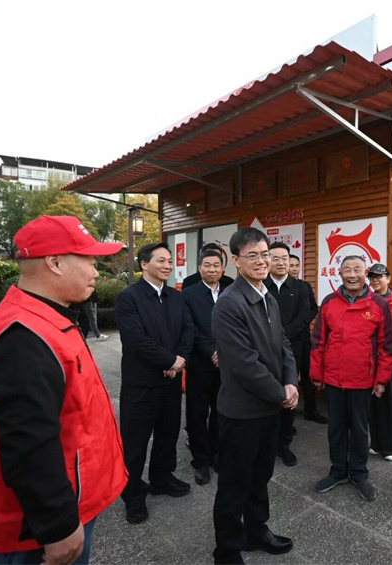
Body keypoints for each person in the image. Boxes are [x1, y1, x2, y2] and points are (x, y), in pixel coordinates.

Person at [0, 215, 127, 564]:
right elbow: (27, 442)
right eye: (90, 260)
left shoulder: (48, 318)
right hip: (37, 531)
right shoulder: (23, 338)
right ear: (55, 263)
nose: (97, 271)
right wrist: (56, 526)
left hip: (70, 503)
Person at [211, 227, 299, 565]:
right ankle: (227, 551)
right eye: (253, 255)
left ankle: (256, 531)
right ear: (235, 260)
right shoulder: (229, 304)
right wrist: (281, 394)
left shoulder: (268, 297)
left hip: (269, 408)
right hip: (241, 413)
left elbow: (283, 345)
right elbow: (244, 364)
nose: (262, 261)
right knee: (235, 484)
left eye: (265, 254)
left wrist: (290, 382)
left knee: (260, 477)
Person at [115, 242, 195, 524]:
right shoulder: (128, 298)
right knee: (135, 442)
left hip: (171, 382)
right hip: (141, 383)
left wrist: (180, 360)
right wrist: (169, 361)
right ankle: (133, 494)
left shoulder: (176, 297)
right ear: (144, 264)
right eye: (161, 260)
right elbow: (135, 340)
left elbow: (188, 330)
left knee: (167, 433)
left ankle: (162, 478)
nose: (167, 265)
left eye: (169, 261)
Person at [310, 255, 392, 501]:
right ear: (339, 274)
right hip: (333, 379)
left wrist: (381, 380)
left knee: (359, 429)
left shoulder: (378, 304)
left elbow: (387, 345)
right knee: (336, 429)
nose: (352, 275)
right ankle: (338, 471)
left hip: (362, 379)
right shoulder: (329, 302)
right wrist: (316, 373)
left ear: (365, 273)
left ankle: (359, 473)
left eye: (357, 269)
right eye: (347, 270)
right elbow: (318, 341)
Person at [182, 249, 231, 485]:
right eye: (207, 265)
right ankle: (200, 460)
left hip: (227, 364)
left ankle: (217, 454)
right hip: (200, 363)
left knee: (222, 411)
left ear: (223, 268)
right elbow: (189, 328)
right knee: (197, 413)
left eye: (216, 265)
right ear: (199, 268)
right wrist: (212, 351)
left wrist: (225, 352)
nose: (212, 269)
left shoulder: (231, 291)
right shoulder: (188, 294)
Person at [263, 242, 312, 467]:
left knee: (289, 394)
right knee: (266, 394)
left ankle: (284, 444)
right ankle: (267, 442)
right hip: (264, 350)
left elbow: (304, 317)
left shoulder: (300, 287)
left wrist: (280, 336)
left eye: (285, 258)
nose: (281, 262)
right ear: (267, 260)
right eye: (275, 258)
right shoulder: (261, 285)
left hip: (292, 350)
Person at [367, 263, 392, 461]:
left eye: (379, 277)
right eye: (372, 277)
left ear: (388, 279)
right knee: (373, 404)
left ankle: (391, 447)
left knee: (391, 405)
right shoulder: (368, 299)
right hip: (371, 360)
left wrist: (376, 336)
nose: (375, 280)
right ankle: (376, 443)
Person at [288, 254, 327, 424]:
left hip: (304, 338)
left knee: (307, 376)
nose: (294, 268)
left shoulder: (304, 286)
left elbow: (313, 308)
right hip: (286, 340)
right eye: (291, 265)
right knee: (289, 377)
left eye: (297, 265)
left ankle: (311, 411)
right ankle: (288, 418)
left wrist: (303, 321)